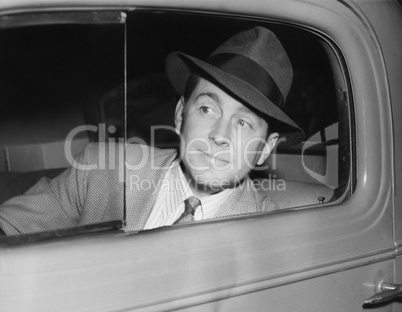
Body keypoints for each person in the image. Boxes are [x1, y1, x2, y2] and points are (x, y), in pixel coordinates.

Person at [0, 26, 303, 235]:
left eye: (243, 122)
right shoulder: (101, 170)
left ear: (265, 148)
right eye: (208, 109)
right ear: (180, 115)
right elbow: (12, 227)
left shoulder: (270, 235)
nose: (218, 135)